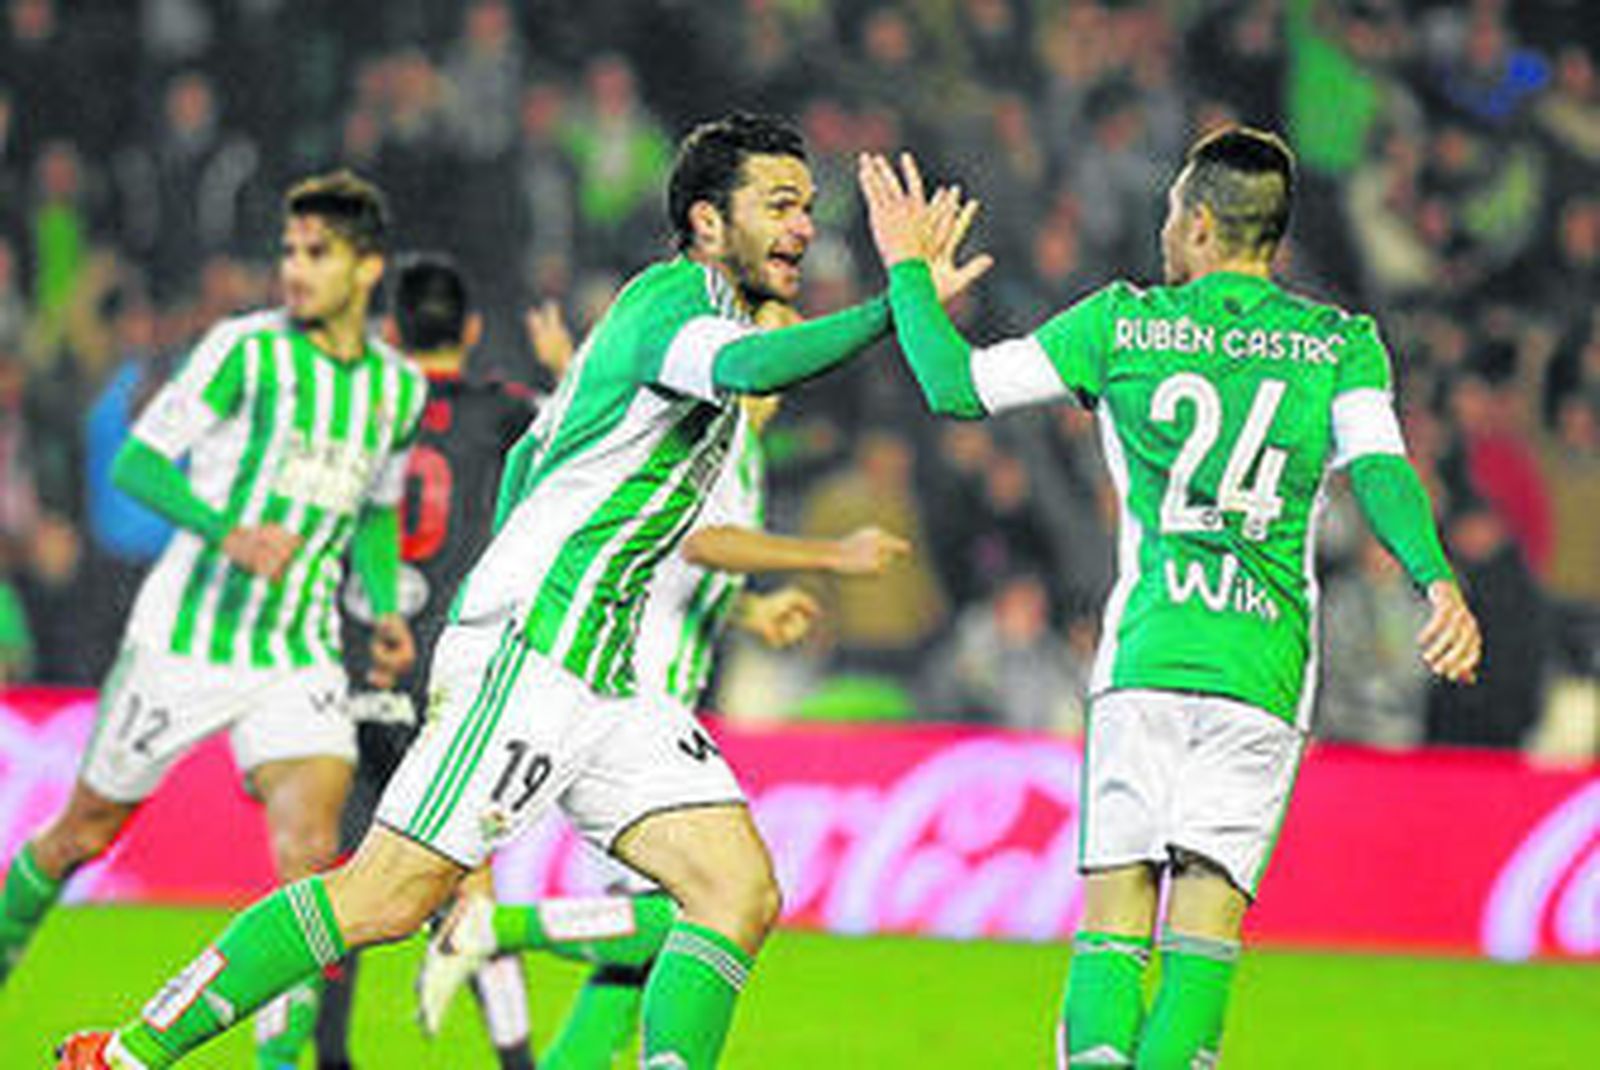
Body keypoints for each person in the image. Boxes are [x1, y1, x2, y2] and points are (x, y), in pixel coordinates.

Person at [55, 111, 985, 1070]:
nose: (804, 228)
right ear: (708, 221)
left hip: (604, 671)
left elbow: (527, 465)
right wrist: (900, 292)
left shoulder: (670, 317)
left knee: (735, 891)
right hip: (537, 653)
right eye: (780, 205)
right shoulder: (676, 302)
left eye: (809, 207)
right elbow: (748, 366)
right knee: (385, 894)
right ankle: (124, 1054)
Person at [857, 129, 1482, 1068]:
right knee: (1203, 946)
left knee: (1113, 925)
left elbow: (955, 386)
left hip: (1146, 659)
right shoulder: (1340, 345)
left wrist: (907, 271)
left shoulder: (1119, 324)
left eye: (1166, 217)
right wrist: (1439, 581)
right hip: (1261, 675)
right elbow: (1385, 471)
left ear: (1195, 223)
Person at [414, 300, 910, 1068]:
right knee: (695, 913)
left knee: (636, 964)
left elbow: (672, 564)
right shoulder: (716, 428)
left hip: (648, 691)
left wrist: (751, 613)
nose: (778, 353)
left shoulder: (735, 445)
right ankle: (489, 928)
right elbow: (703, 539)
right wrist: (831, 555)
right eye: (764, 335)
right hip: (625, 699)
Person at [0, 171, 425, 1065]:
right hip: (183, 640)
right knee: (83, 833)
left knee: (310, 858)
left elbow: (377, 511)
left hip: (298, 649)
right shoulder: (244, 351)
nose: (295, 269)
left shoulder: (395, 389)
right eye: (289, 250)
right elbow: (141, 465)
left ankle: (278, 1061)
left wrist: (383, 607)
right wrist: (226, 531)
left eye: (318, 253)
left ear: (366, 268)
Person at [313, 253, 539, 1070]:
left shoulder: (357, 411)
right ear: (472, 331)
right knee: (464, 870)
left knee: (345, 868)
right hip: (451, 670)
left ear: (390, 331)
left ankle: (329, 1056)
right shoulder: (507, 410)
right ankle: (517, 1061)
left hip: (358, 662)